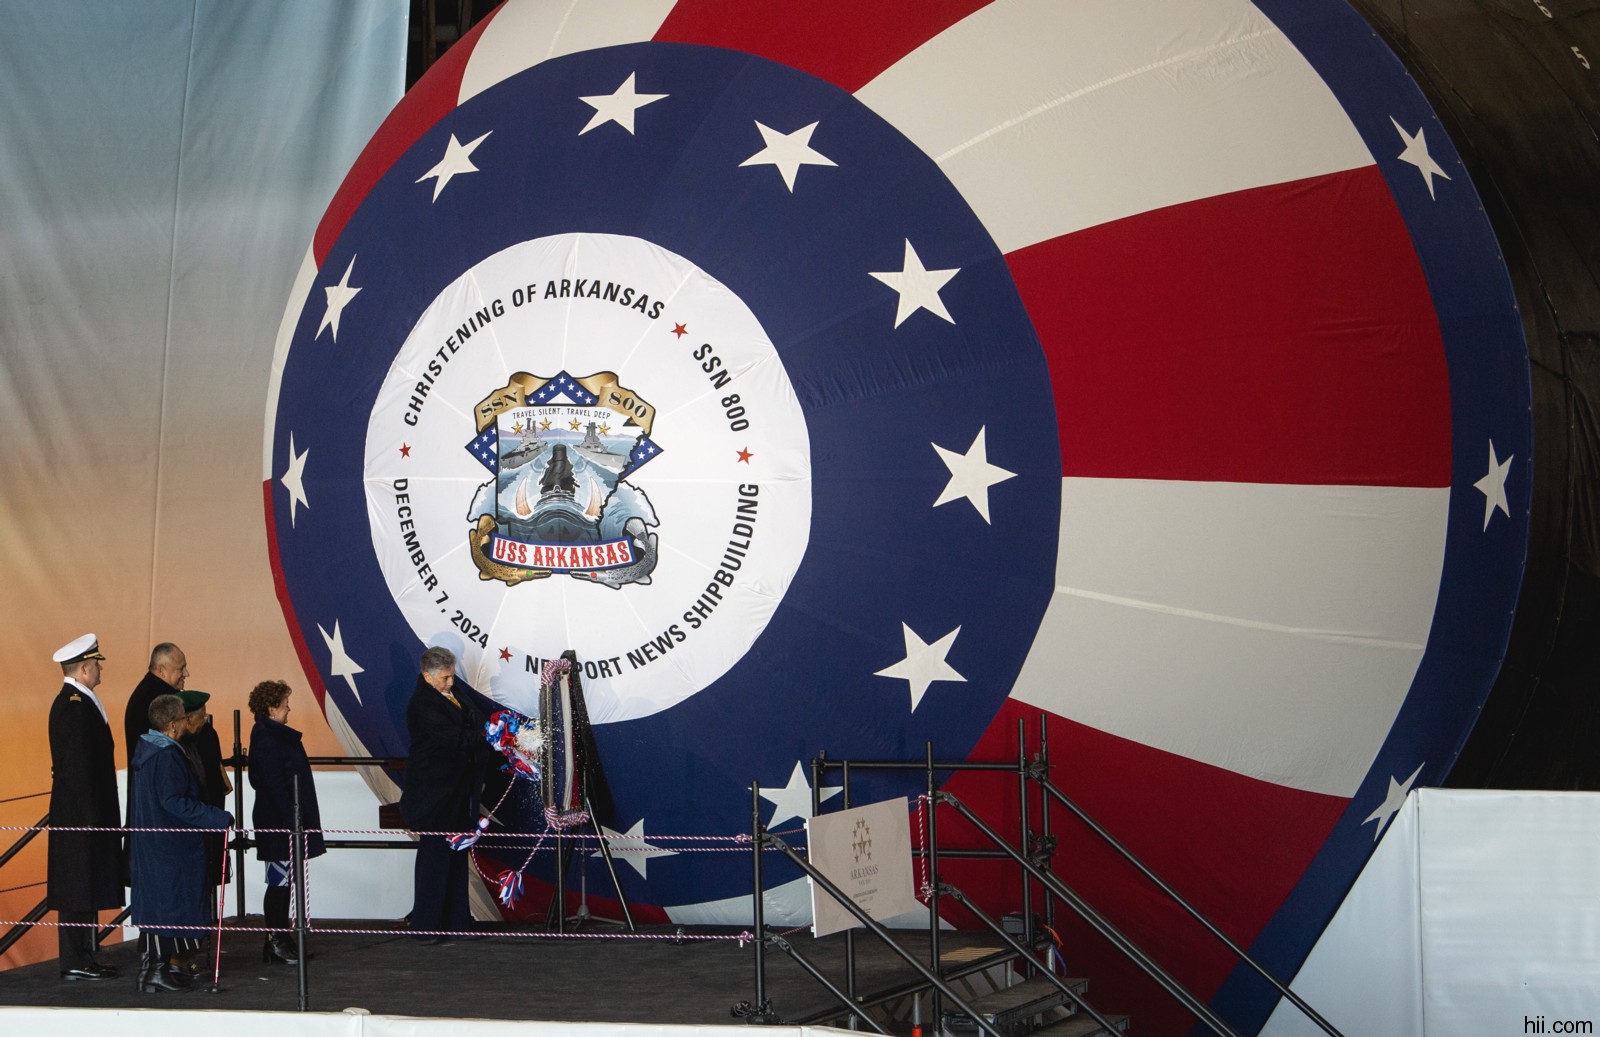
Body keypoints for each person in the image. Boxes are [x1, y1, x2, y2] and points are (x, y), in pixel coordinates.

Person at [128, 693, 232, 993]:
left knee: (158, 907)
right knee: (168, 907)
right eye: (185, 719)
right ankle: (157, 973)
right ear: (173, 725)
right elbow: (174, 802)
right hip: (171, 845)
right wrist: (216, 817)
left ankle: (150, 972)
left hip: (153, 842)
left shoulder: (147, 748)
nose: (189, 723)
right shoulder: (167, 755)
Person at [399, 646, 493, 942]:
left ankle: (456, 921)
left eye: (452, 676)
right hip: (435, 794)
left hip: (455, 792)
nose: (451, 682)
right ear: (428, 676)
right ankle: (427, 926)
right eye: (446, 678)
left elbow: (472, 723)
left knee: (455, 856)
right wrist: (489, 736)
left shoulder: (451, 695)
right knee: (435, 859)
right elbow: (454, 739)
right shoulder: (422, 706)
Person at [46, 633, 125, 981]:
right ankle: (76, 958)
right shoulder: (74, 706)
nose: (99, 669)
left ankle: (84, 955)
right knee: (77, 884)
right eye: (96, 664)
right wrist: (91, 817)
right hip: (81, 814)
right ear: (84, 667)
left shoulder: (79, 701)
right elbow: (78, 768)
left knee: (84, 883)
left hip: (83, 812)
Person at [246, 679, 324, 964]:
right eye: (284, 704)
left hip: (283, 821)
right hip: (278, 823)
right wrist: (290, 817)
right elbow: (271, 783)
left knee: (284, 882)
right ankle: (275, 941)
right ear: (271, 708)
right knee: (279, 883)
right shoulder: (267, 737)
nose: (289, 709)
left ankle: (280, 937)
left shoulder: (270, 734)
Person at [174, 689, 231, 975]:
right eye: (201, 715)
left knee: (205, 886)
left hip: (207, 820)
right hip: (191, 826)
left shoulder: (203, 738)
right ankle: (182, 955)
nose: (205, 720)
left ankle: (195, 947)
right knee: (188, 893)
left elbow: (216, 779)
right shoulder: (175, 747)